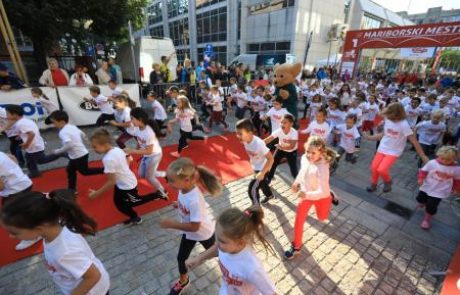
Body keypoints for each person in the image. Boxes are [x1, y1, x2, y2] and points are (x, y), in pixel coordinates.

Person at [0, 190, 110, 294]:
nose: (11, 236)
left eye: (14, 232)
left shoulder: (64, 252)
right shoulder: (58, 226)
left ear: (39, 228)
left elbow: (93, 276)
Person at [159, 157, 222, 295]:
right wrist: (179, 205)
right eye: (168, 180)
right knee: (181, 258)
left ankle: (232, 269)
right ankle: (183, 281)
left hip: (203, 233)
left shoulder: (194, 200)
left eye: (171, 181)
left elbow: (195, 227)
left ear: (186, 180)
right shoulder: (183, 189)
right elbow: (185, 203)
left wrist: (172, 224)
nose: (169, 183)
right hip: (190, 234)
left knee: (219, 255)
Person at [185, 206, 277, 295]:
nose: (216, 242)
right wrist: (199, 258)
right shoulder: (225, 247)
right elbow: (217, 248)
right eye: (216, 236)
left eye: (221, 241)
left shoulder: (252, 268)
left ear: (241, 242)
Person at [89, 129, 167, 225]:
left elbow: (111, 181)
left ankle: (157, 195)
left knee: (135, 201)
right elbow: (128, 158)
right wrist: (123, 169)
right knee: (119, 203)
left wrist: (96, 193)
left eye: (95, 147)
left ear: (104, 145)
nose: (93, 149)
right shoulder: (116, 149)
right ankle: (135, 217)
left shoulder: (108, 159)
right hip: (122, 183)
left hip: (127, 185)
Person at [284, 136, 335, 259]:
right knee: (299, 219)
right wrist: (296, 183)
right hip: (306, 194)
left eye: (313, 153)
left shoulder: (323, 167)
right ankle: (296, 247)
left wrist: (307, 194)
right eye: (307, 151)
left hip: (322, 196)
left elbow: (322, 192)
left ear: (321, 152)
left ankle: (331, 195)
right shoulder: (304, 158)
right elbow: (302, 172)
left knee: (322, 217)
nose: (309, 155)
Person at [363, 103, 428, 193]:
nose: (387, 115)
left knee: (382, 169)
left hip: (394, 151)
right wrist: (370, 137)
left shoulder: (404, 125)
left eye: (389, 113)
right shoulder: (388, 119)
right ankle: (373, 185)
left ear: (396, 114)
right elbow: (383, 134)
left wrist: (423, 156)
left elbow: (414, 141)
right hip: (382, 148)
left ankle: (388, 181)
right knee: (374, 167)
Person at [49, 111, 104, 192]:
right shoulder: (72, 126)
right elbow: (83, 134)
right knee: (70, 170)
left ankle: (106, 170)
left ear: (62, 122)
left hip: (79, 156)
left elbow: (69, 144)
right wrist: (89, 143)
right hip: (78, 155)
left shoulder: (62, 132)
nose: (53, 125)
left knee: (85, 172)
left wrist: (58, 151)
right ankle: (72, 189)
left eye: (54, 123)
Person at [5, 105, 63, 178]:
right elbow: (29, 131)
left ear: (15, 115)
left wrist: (26, 143)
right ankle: (34, 172)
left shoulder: (20, 123)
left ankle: (60, 153)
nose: (6, 115)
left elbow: (31, 134)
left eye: (7, 113)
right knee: (29, 158)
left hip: (34, 145)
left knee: (41, 160)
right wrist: (20, 137)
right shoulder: (24, 120)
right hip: (34, 144)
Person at [124, 107, 168, 199]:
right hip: (147, 155)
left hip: (154, 155)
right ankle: (164, 174)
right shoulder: (137, 128)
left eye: (132, 118)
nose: (131, 121)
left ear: (140, 119)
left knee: (149, 177)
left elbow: (149, 151)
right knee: (141, 174)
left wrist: (132, 151)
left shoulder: (148, 133)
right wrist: (137, 147)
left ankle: (162, 191)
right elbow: (139, 140)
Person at [0, 151, 38, 250]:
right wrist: (17, 171)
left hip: (15, 189)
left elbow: (1, 186)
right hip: (23, 182)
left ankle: (32, 236)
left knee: (12, 214)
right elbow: (11, 156)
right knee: (24, 210)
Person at [417, 146, 460, 230]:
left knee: (432, 206)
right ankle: (423, 202)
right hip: (427, 186)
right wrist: (421, 178)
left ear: (454, 159)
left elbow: (457, 180)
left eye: (448, 160)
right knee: (420, 198)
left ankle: (427, 219)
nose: (444, 161)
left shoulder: (456, 169)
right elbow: (424, 171)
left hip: (440, 190)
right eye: (442, 158)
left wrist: (456, 188)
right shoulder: (432, 163)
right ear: (438, 155)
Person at [236, 118, 274, 205]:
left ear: (249, 133)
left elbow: (271, 158)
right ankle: (270, 195)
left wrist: (262, 173)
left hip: (263, 169)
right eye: (237, 133)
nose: (238, 136)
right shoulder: (245, 141)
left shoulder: (258, 144)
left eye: (240, 134)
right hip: (256, 167)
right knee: (263, 184)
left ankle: (256, 210)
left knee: (252, 189)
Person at [264, 114, 299, 188]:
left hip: (291, 152)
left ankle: (299, 183)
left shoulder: (294, 132)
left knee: (293, 169)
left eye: (285, 122)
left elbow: (292, 146)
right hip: (280, 149)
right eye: (281, 122)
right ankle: (268, 180)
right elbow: (269, 139)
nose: (282, 124)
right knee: (273, 164)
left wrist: (282, 147)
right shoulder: (279, 131)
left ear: (291, 124)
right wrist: (258, 143)